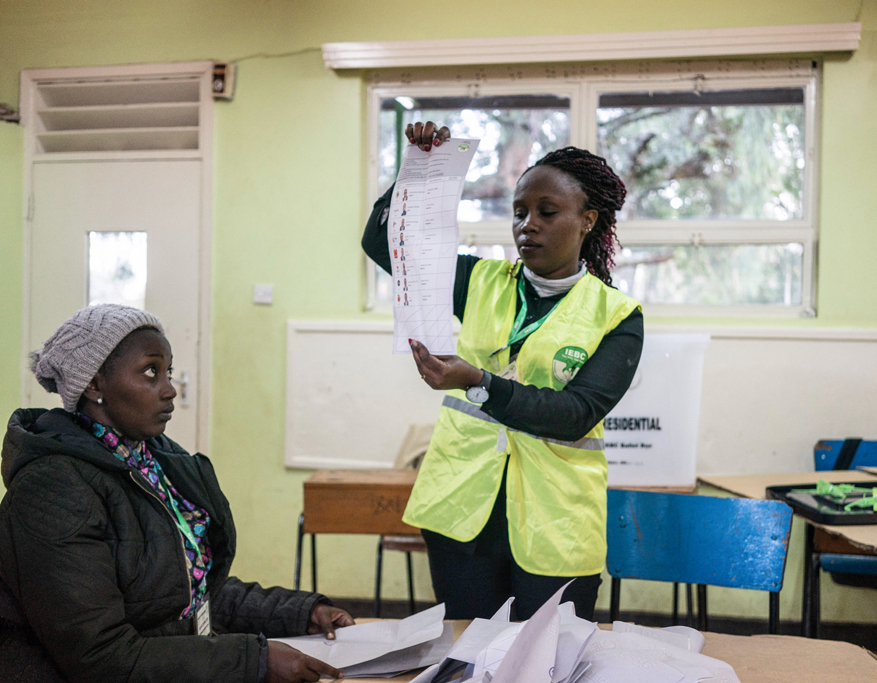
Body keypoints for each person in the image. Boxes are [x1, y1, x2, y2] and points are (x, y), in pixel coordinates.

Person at [362, 121, 643, 621]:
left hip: (556, 521)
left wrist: (479, 381)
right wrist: (419, 170)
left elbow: (575, 413)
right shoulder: (479, 280)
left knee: (547, 665)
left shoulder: (617, 316)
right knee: (469, 655)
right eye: (519, 212)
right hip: (462, 509)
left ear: (588, 220)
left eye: (546, 212)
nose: (527, 224)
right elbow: (385, 244)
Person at [0, 305, 353, 683]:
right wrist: (254, 661)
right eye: (151, 371)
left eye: (168, 371)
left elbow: (186, 589)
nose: (169, 388)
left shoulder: (154, 463)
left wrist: (300, 613)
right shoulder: (52, 487)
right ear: (94, 384)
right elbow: (100, 657)